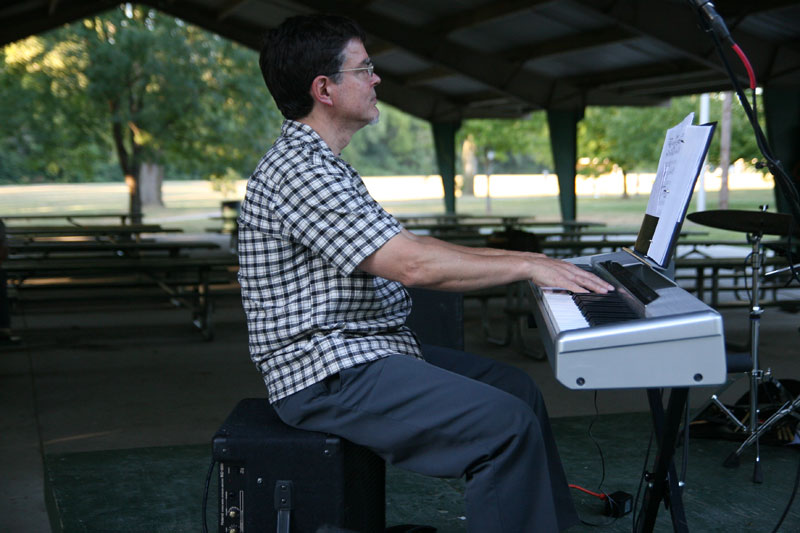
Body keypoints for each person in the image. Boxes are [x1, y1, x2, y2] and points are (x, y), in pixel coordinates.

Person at [238, 14, 612, 532]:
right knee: (503, 427)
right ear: (324, 89)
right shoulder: (299, 171)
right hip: (325, 373)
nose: (377, 79)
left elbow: (411, 245)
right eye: (364, 69)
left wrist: (530, 264)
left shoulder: (323, 163)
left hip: (368, 351)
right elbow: (411, 265)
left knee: (517, 389)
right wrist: (526, 264)